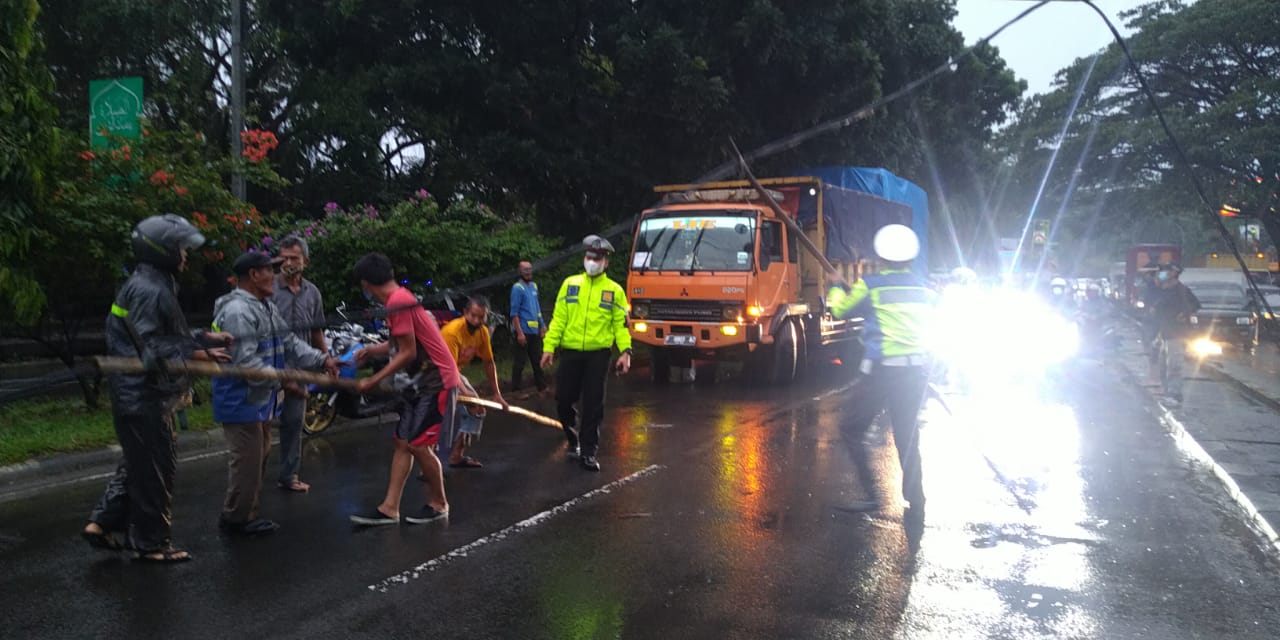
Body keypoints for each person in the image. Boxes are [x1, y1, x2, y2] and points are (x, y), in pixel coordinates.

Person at [83, 214, 232, 563]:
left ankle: (102, 522)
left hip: (136, 395)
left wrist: (202, 338)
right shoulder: (151, 289)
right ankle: (150, 544)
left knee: (139, 463)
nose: (186, 255)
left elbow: (160, 335)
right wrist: (199, 353)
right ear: (162, 250)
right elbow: (152, 346)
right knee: (155, 469)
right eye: (180, 248)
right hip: (144, 396)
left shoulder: (150, 282)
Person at [212, 252, 336, 536]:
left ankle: (244, 512)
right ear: (254, 275)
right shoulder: (238, 312)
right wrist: (284, 381)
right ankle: (236, 519)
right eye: (271, 270)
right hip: (240, 399)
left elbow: (289, 342)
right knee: (247, 460)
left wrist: (322, 360)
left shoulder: (264, 307)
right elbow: (246, 363)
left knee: (257, 457)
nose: (276, 276)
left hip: (259, 399)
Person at [826, 224, 935, 526]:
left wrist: (835, 285)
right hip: (915, 373)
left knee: (851, 428)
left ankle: (873, 495)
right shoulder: (923, 288)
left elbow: (839, 311)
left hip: (881, 372)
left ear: (882, 257)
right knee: (907, 437)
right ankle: (917, 499)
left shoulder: (871, 285)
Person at [349, 253, 463, 525]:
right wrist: (372, 351)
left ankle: (439, 503)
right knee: (402, 442)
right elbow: (398, 344)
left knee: (419, 445)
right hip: (419, 383)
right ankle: (390, 508)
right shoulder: (399, 298)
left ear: (366, 283)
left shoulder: (398, 302)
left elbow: (408, 353)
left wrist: (374, 381)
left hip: (436, 380)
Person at [540, 235, 632, 472]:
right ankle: (572, 435)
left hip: (598, 355)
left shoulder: (614, 291)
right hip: (570, 352)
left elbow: (620, 325)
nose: (593, 261)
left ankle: (588, 451)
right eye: (590, 257)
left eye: (598, 258)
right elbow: (558, 319)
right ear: (584, 258)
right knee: (563, 399)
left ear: (606, 263)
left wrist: (625, 352)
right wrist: (549, 347)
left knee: (593, 404)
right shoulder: (570, 284)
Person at [272, 235, 328, 493]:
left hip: (301, 365)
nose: (288, 263)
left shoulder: (312, 292)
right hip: (270, 366)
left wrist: (325, 359)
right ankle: (252, 478)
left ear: (305, 261)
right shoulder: (269, 288)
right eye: (284, 258)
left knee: (294, 423)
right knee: (259, 426)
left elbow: (317, 331)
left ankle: (289, 475)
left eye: (294, 258)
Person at [438, 296, 509, 468]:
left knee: (476, 409)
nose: (476, 321)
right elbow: (448, 368)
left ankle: (456, 455)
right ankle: (431, 466)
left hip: (454, 373)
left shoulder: (482, 332)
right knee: (441, 420)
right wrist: (465, 391)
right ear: (465, 313)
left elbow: (488, 362)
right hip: (435, 374)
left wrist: (497, 394)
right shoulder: (452, 332)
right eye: (473, 316)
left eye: (481, 317)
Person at [1148, 263, 1200, 405]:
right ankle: (1167, 393)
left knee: (1174, 366)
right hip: (1163, 332)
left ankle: (1175, 395)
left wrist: (1184, 314)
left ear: (1172, 273)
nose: (1161, 274)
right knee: (1163, 365)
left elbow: (1196, 305)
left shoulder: (1181, 290)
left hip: (1176, 333)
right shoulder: (1162, 290)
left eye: (1164, 272)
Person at [509, 261, 548, 394]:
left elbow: (537, 308)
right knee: (520, 362)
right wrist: (519, 333)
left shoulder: (534, 286)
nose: (528, 272)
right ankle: (516, 390)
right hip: (523, 331)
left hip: (534, 331)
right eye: (525, 270)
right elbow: (514, 313)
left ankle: (542, 387)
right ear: (520, 272)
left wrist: (542, 325)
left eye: (530, 269)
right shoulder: (517, 288)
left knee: (537, 361)